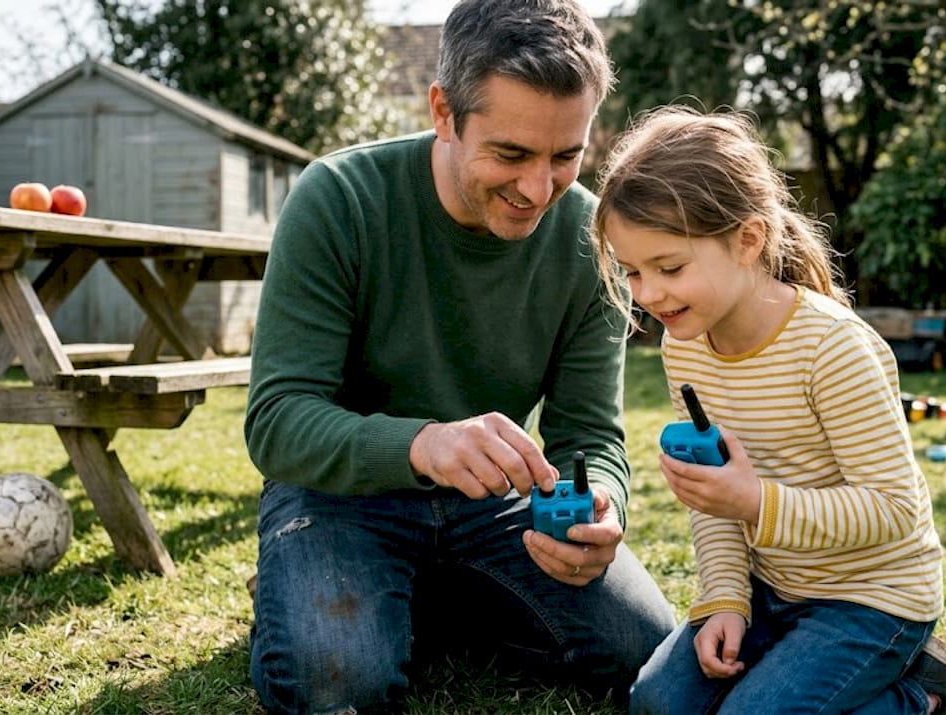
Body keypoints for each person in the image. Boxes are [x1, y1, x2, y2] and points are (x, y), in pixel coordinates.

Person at [243, 1, 676, 711]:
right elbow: (277, 421)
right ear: (444, 112)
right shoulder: (338, 198)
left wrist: (603, 503)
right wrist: (423, 443)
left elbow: (590, 435)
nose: (539, 189)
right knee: (338, 678)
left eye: (565, 156)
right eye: (510, 154)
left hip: (493, 503)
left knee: (643, 648)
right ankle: (312, 584)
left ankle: (411, 597)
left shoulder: (587, 238)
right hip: (341, 494)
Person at [589, 106, 946, 715]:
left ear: (748, 239)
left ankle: (922, 691)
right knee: (656, 704)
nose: (648, 294)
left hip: (874, 598)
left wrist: (756, 504)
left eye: (669, 267)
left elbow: (896, 510)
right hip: (773, 588)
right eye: (633, 272)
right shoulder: (685, 345)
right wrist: (726, 600)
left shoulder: (832, 347)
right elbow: (715, 499)